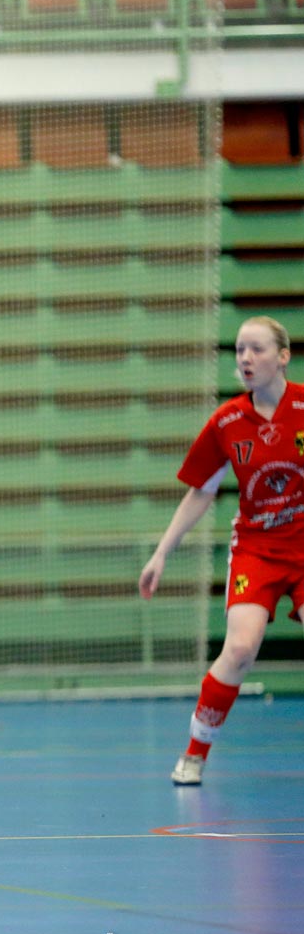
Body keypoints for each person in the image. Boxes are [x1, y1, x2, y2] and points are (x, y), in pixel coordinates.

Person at [140, 316, 303, 786]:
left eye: (256, 350)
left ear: (283, 356)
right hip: (257, 548)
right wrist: (162, 553)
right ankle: (194, 752)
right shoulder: (228, 421)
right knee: (240, 647)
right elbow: (200, 492)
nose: (246, 359)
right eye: (239, 351)